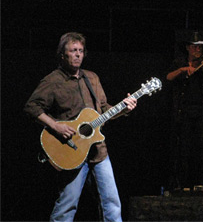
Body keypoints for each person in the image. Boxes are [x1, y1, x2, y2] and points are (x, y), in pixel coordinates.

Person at [24, 32, 137, 221]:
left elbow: (104, 110)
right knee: (67, 205)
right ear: (63, 54)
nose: (78, 54)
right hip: (72, 150)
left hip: (99, 151)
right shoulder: (53, 80)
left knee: (112, 203)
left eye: (81, 51)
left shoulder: (91, 78)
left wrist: (125, 108)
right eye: (73, 51)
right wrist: (56, 126)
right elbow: (31, 107)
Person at [166, 31, 203, 191]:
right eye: (194, 47)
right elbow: (168, 77)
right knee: (184, 148)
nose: (198, 50)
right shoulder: (179, 62)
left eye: (200, 47)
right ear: (188, 48)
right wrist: (183, 70)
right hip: (183, 112)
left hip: (202, 112)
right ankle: (183, 184)